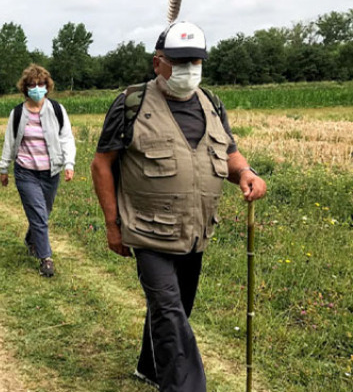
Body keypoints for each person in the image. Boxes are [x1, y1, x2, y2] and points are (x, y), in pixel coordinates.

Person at [90, 21, 267, 392]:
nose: (189, 70)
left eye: (196, 61)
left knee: (176, 309)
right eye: (180, 61)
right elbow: (102, 163)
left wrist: (247, 173)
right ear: (158, 63)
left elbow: (228, 152)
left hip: (194, 232)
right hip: (147, 231)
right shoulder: (132, 104)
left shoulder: (212, 104)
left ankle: (149, 366)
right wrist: (112, 223)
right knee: (171, 316)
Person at [0, 64, 76, 277]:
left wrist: (69, 164)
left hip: (51, 172)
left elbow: (66, 138)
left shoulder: (57, 110)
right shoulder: (17, 113)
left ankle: (31, 239)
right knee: (39, 215)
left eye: (40, 84)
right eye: (32, 85)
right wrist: (4, 168)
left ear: (47, 86)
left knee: (44, 212)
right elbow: (9, 142)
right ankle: (46, 258)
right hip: (26, 172)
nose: (36, 88)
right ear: (25, 88)